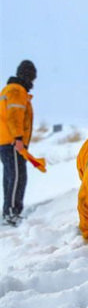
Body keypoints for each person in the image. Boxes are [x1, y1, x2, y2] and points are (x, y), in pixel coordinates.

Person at [0, 60, 37, 226]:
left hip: (6, 141)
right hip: (12, 141)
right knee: (17, 177)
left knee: (11, 176)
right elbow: (14, 116)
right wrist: (18, 139)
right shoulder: (16, 90)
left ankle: (9, 211)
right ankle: (11, 213)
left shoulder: (10, 89)